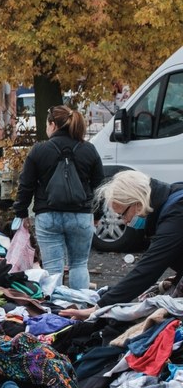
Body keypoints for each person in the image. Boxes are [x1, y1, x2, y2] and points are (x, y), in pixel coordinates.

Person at [60, 171, 183, 320]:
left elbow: (149, 269)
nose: (124, 221)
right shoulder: (172, 198)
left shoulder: (177, 213)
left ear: (137, 202)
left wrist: (99, 307)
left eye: (123, 214)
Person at [12, 105, 104, 290]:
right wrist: (97, 215)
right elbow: (100, 186)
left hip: (48, 215)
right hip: (81, 215)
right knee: (79, 264)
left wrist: (21, 213)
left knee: (54, 268)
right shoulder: (89, 149)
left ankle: (56, 311)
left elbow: (26, 185)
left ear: (53, 125)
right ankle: (81, 306)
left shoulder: (39, 150)